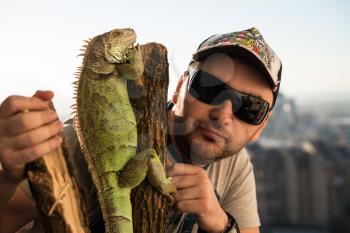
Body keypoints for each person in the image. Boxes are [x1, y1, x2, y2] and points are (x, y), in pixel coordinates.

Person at [0, 27, 282, 233]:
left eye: (251, 108)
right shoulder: (79, 142)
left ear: (260, 128)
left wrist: (219, 221)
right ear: (181, 87)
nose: (223, 114)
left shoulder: (234, 165)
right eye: (210, 87)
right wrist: (9, 177)